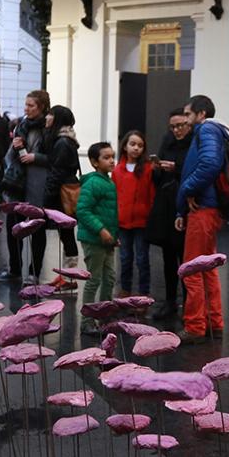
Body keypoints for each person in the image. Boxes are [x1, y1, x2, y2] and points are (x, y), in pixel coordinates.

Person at [173, 95, 229, 344]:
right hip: (210, 209)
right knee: (207, 269)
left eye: (188, 115)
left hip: (203, 210)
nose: (185, 120)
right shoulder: (213, 132)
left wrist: (187, 189)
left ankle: (195, 326)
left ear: (200, 114)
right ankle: (214, 322)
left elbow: (209, 163)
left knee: (192, 269)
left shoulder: (206, 129)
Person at [0, 90, 50, 284]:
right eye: (26, 104)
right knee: (13, 226)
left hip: (38, 184)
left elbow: (56, 158)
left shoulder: (48, 127)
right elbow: (12, 155)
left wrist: (35, 157)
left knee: (37, 229)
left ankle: (34, 273)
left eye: (31, 105)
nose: (26, 108)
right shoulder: (22, 124)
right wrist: (16, 145)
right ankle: (14, 268)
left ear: (42, 107)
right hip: (17, 184)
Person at [147, 108, 193, 321]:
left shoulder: (194, 143)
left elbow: (195, 171)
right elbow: (156, 179)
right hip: (166, 204)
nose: (177, 130)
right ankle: (170, 301)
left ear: (189, 124)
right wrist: (158, 168)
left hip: (185, 205)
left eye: (181, 125)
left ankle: (189, 302)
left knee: (186, 258)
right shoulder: (168, 142)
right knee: (167, 257)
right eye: (173, 126)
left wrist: (176, 168)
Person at [77, 142, 118, 335]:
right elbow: (83, 210)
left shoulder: (109, 182)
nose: (111, 160)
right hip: (94, 240)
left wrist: (112, 236)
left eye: (113, 156)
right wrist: (101, 230)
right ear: (94, 162)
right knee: (94, 280)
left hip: (106, 240)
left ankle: (105, 314)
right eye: (106, 157)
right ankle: (87, 321)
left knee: (109, 278)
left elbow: (110, 213)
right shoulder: (94, 183)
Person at [42, 105, 81, 292]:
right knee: (65, 234)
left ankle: (70, 277)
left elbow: (57, 172)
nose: (47, 118)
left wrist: (47, 199)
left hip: (63, 193)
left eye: (50, 114)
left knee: (67, 234)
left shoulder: (63, 142)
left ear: (57, 118)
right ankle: (66, 274)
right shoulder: (63, 139)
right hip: (63, 190)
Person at [114, 130, 155, 297]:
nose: (136, 148)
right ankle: (125, 289)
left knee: (142, 259)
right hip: (123, 222)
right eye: (132, 144)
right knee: (125, 259)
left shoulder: (147, 169)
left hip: (142, 222)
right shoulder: (117, 171)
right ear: (125, 146)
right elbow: (114, 197)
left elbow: (152, 194)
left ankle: (144, 293)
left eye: (140, 145)